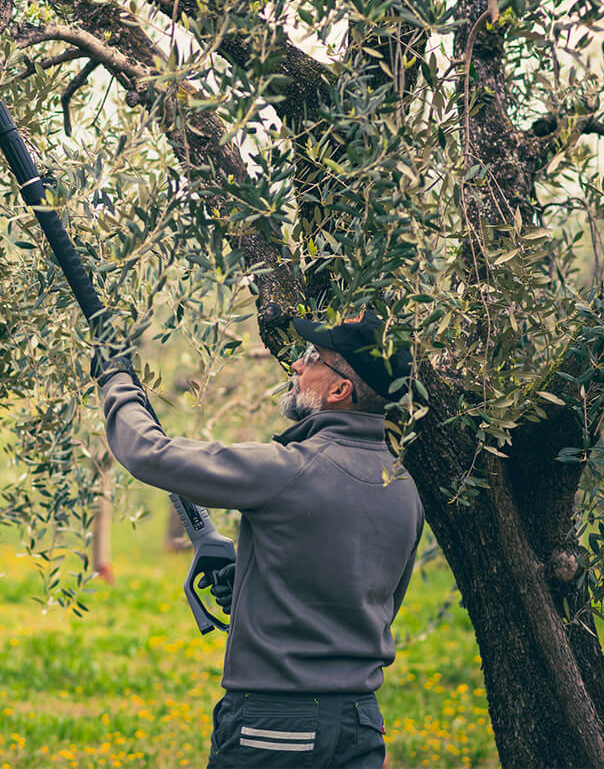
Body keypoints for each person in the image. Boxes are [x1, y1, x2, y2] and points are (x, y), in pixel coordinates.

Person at [96, 308, 423, 768]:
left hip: (274, 727)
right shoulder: (405, 489)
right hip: (359, 725)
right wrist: (256, 583)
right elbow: (366, 602)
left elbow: (150, 453)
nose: (296, 365)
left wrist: (117, 382)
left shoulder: (291, 468)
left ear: (339, 390)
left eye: (312, 357)